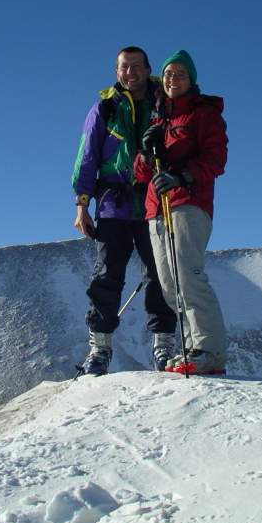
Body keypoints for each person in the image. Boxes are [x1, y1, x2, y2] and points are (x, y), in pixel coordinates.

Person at [71, 46, 177, 375]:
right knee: (107, 275)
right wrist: (81, 205)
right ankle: (99, 349)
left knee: (160, 274)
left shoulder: (165, 104)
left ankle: (163, 347)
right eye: (123, 67)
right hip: (112, 205)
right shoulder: (104, 108)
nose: (129, 72)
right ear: (116, 72)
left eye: (135, 66)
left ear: (147, 69)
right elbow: (87, 157)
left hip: (154, 202)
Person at [134, 49, 229, 375]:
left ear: (191, 80)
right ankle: (192, 349)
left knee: (188, 275)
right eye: (168, 74)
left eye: (180, 74)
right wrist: (146, 152)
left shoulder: (204, 115)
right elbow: (140, 174)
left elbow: (216, 159)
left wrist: (182, 176)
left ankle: (209, 351)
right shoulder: (158, 119)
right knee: (169, 283)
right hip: (156, 208)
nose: (173, 79)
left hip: (188, 203)